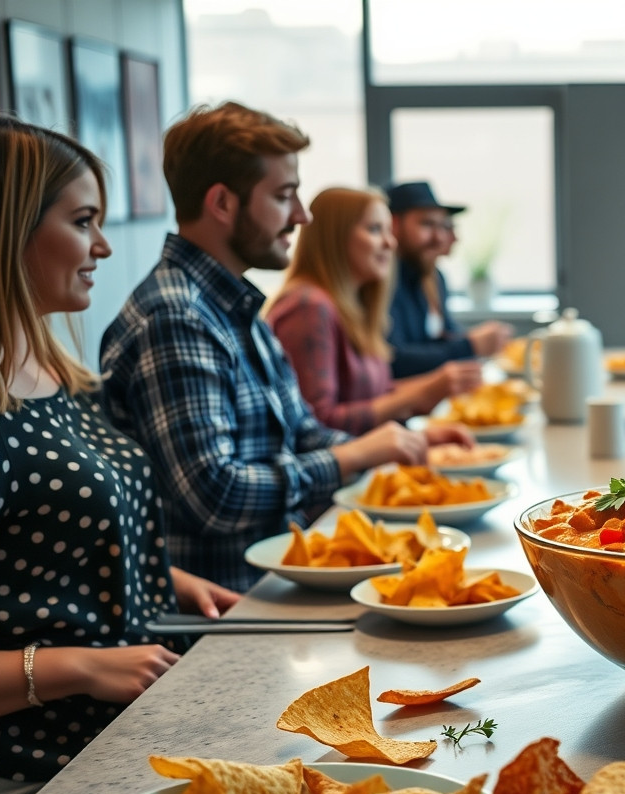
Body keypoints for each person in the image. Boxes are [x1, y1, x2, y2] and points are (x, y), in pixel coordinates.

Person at [0, 114, 239, 794]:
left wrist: (153, 574)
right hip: (15, 778)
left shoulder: (55, 373)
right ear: (1, 229)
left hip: (103, 747)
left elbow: (40, 545)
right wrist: (79, 665)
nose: (103, 246)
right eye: (83, 220)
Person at [99, 102, 471, 593]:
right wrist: (351, 457)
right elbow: (215, 494)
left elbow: (301, 433)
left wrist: (402, 444)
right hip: (233, 608)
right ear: (223, 204)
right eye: (283, 196)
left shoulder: (235, 307)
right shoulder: (177, 318)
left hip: (278, 585)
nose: (302, 215)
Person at [267, 187, 483, 434]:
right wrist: (420, 393)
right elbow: (316, 425)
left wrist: (434, 394)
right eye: (374, 230)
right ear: (335, 238)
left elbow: (374, 393)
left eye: (388, 231)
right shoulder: (309, 307)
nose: (390, 243)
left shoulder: (350, 306)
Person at [385, 181, 513, 378]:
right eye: (427, 224)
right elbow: (392, 359)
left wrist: (479, 339)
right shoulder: (383, 283)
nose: (439, 238)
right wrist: (469, 345)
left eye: (443, 226)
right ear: (393, 224)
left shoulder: (434, 279)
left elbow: (445, 335)